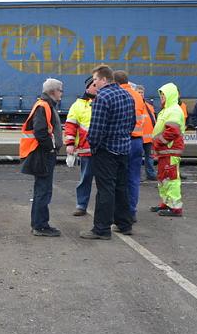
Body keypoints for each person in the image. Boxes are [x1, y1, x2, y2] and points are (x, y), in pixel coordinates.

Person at [79, 65, 136, 240]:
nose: (94, 84)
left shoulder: (102, 97)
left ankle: (101, 229)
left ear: (104, 79)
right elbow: (132, 123)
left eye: (95, 80)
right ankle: (124, 224)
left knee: (105, 189)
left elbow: (96, 129)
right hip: (124, 148)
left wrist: (94, 147)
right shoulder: (127, 95)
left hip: (106, 150)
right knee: (121, 187)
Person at [20, 78, 64, 237]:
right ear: (53, 91)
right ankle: (40, 225)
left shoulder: (45, 105)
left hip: (42, 153)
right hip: (42, 154)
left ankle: (39, 224)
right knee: (43, 190)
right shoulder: (43, 106)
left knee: (43, 190)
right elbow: (40, 132)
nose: (61, 93)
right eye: (60, 90)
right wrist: (51, 149)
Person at [114, 70, 146, 222]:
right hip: (138, 142)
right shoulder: (138, 96)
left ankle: (121, 213)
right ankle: (132, 211)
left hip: (123, 141)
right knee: (133, 179)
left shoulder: (119, 95)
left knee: (119, 179)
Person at [151, 83, 186, 216]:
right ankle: (166, 203)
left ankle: (175, 208)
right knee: (164, 178)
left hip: (169, 150)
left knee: (171, 179)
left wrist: (159, 143)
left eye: (163, 96)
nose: (161, 98)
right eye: (161, 96)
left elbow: (172, 131)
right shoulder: (168, 110)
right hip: (166, 151)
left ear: (170, 96)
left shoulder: (173, 110)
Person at [64, 76, 97, 216]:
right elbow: (70, 126)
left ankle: (103, 208)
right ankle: (81, 205)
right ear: (87, 87)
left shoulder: (104, 101)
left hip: (102, 150)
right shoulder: (77, 105)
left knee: (104, 182)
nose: (97, 87)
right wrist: (70, 144)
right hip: (86, 149)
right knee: (85, 179)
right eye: (94, 85)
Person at [136, 84, 157, 182]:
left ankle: (151, 174)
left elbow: (154, 120)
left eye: (142, 92)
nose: (140, 94)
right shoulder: (133, 105)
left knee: (150, 158)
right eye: (139, 92)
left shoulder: (149, 106)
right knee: (137, 158)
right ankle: (137, 176)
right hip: (138, 137)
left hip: (148, 137)